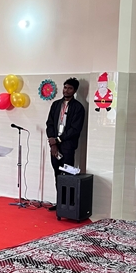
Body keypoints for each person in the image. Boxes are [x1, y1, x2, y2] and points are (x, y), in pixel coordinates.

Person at [45, 77, 85, 211]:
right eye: (65, 87)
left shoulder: (78, 107)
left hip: (67, 146)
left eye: (70, 88)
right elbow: (50, 124)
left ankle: (69, 204)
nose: (66, 90)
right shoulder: (56, 105)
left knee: (67, 175)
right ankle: (60, 203)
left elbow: (75, 129)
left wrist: (58, 140)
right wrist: (53, 143)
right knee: (57, 174)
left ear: (75, 90)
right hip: (54, 146)